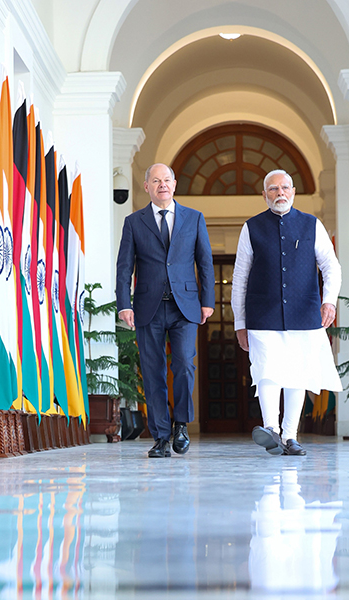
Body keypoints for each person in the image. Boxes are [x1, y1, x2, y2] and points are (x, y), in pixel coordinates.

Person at [232, 169, 342, 456]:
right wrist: (239, 322)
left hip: (304, 313)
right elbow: (240, 277)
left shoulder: (311, 225)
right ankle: (271, 430)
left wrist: (329, 301)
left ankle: (291, 436)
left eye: (284, 188)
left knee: (297, 375)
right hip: (262, 314)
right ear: (264, 194)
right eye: (273, 189)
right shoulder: (251, 227)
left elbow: (331, 266)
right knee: (267, 372)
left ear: (293, 192)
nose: (279, 193)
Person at [116, 163, 214, 458]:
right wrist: (124, 304)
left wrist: (207, 301)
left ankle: (180, 424)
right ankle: (160, 436)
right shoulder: (134, 222)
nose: (162, 185)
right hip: (148, 306)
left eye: (167, 179)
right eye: (156, 180)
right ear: (146, 186)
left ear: (174, 184)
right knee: (152, 371)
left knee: (184, 364)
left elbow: (205, 262)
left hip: (185, 307)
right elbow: (124, 267)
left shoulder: (194, 218)